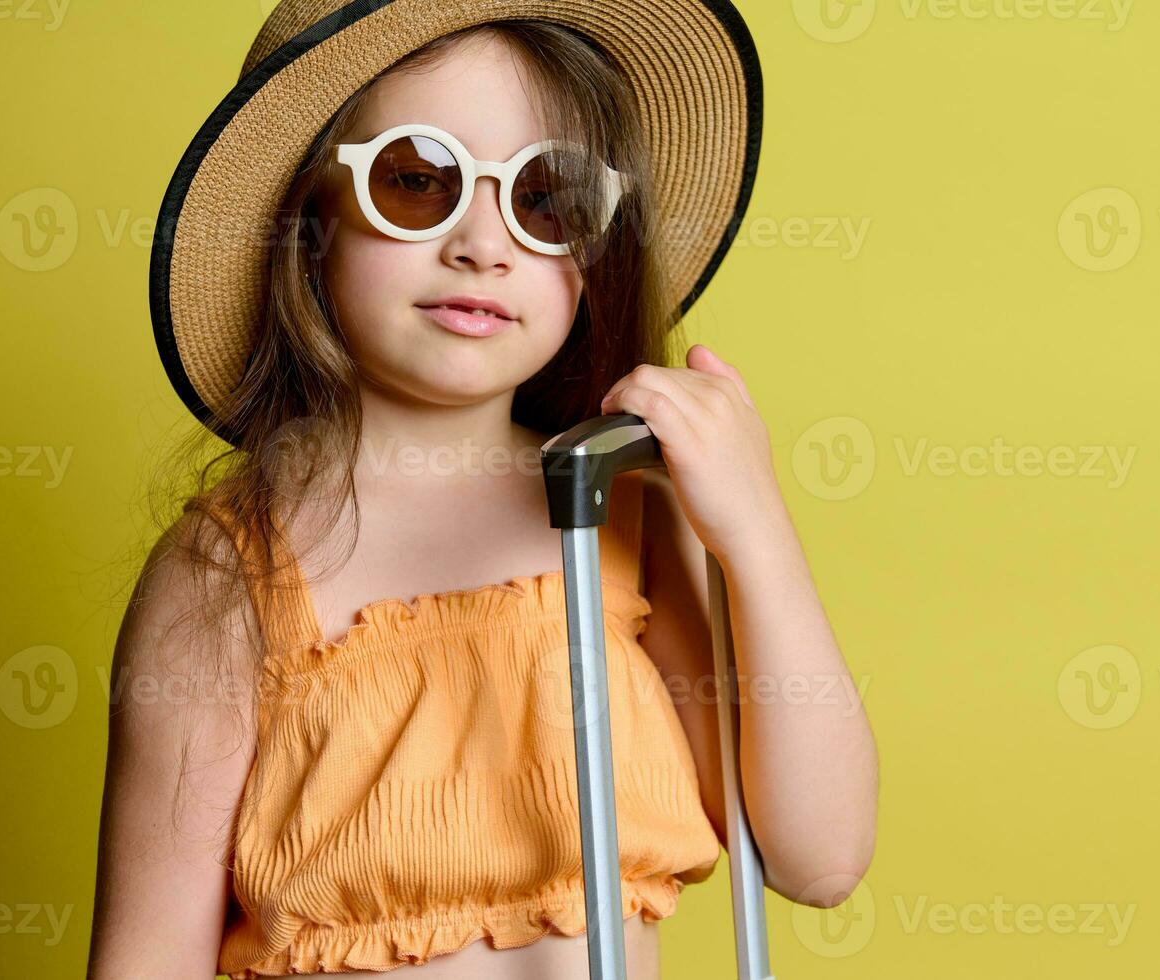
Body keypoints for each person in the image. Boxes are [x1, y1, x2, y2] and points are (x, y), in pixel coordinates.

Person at [88, 3, 878, 977]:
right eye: (416, 181)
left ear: (594, 253)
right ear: (310, 218)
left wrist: (754, 528)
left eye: (547, 200)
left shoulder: (629, 510)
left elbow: (821, 856)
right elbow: (146, 954)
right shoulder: (228, 569)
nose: (483, 243)